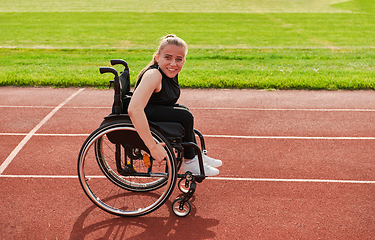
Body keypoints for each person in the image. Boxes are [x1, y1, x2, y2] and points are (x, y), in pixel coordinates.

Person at [128, 34, 222, 176]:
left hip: (152, 110)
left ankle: (194, 158)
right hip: (143, 114)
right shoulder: (154, 75)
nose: (173, 63)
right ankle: (190, 162)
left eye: (179, 59)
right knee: (184, 115)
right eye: (168, 57)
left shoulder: (169, 73)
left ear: (184, 60)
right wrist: (152, 147)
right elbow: (134, 109)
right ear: (157, 57)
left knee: (184, 112)